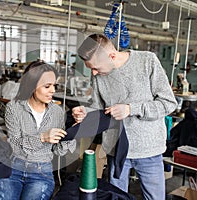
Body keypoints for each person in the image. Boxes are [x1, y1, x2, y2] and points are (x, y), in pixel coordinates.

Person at [72, 33, 177, 200]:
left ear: (112, 56)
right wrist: (86, 113)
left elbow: (169, 103)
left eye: (96, 68)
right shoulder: (98, 76)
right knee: (115, 197)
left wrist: (130, 109)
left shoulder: (147, 62)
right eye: (90, 68)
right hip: (116, 149)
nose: (93, 73)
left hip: (148, 150)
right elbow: (98, 108)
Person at [0, 60, 76, 200]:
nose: (53, 91)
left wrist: (74, 132)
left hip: (41, 172)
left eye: (54, 86)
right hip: (14, 167)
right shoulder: (14, 108)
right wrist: (42, 138)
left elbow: (58, 150)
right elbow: (15, 145)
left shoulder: (57, 112)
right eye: (47, 86)